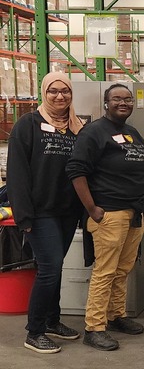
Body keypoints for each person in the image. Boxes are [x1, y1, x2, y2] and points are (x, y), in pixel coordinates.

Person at [66, 83, 144, 351]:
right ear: (106, 103)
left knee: (123, 269)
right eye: (117, 99)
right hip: (109, 214)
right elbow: (76, 171)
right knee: (105, 271)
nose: (123, 103)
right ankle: (94, 327)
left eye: (128, 99)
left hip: (134, 213)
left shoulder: (132, 133)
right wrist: (92, 209)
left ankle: (116, 315)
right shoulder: (93, 132)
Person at [7, 72, 84, 354]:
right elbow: (17, 173)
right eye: (53, 91)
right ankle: (35, 331)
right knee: (50, 269)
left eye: (65, 91)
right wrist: (23, 215)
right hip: (39, 212)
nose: (60, 96)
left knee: (54, 266)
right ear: (44, 92)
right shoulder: (28, 125)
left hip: (67, 211)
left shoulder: (77, 127)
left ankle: (52, 320)